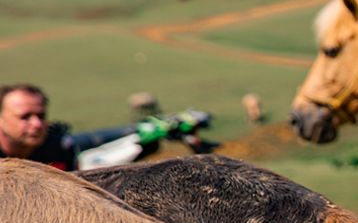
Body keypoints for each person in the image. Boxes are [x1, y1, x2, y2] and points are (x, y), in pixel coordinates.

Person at [0, 84, 212, 172]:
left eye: (41, 115)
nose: (36, 124)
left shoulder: (57, 148)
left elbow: (93, 141)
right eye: (25, 117)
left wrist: (148, 131)